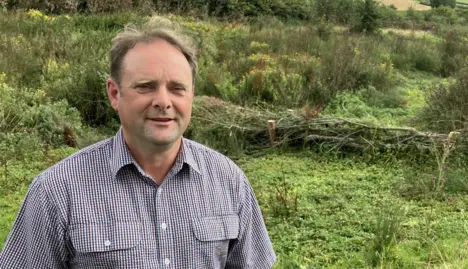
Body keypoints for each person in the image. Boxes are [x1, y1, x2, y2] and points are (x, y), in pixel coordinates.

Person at [0, 16, 276, 268]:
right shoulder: (56, 192)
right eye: (145, 86)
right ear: (114, 93)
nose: (164, 102)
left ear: (191, 95)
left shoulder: (230, 182)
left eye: (177, 89)